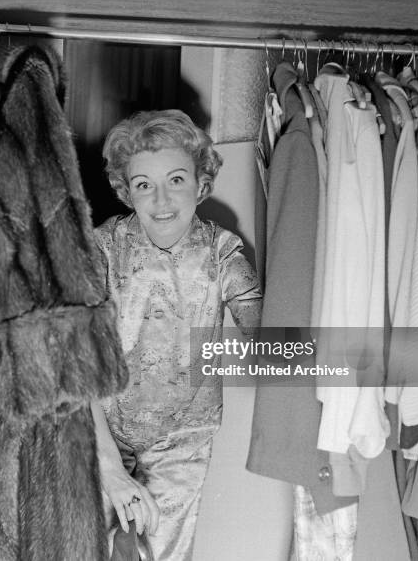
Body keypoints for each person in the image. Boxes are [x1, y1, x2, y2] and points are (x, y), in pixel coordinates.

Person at [92, 109, 262, 560]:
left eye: (177, 180)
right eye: (144, 184)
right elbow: (71, 360)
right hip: (95, 429)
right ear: (126, 190)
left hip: (183, 441)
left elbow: (270, 343)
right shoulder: (101, 249)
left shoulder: (223, 253)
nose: (161, 200)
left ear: (202, 183)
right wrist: (108, 464)